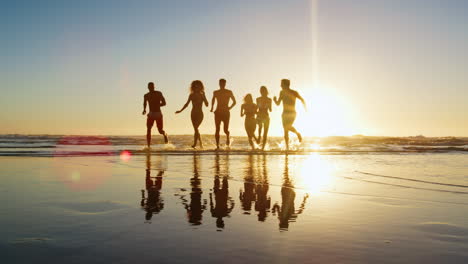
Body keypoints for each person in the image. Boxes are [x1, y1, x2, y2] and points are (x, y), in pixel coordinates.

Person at [273, 79, 306, 150]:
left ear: (285, 84)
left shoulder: (294, 92)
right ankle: (287, 148)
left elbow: (302, 99)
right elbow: (278, 103)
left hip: (292, 113)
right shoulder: (282, 92)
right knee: (285, 130)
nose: (280, 85)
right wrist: (275, 100)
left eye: (281, 84)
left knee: (287, 127)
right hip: (284, 113)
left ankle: (297, 133)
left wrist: (305, 108)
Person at [175, 80, 209, 148]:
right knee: (195, 129)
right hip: (193, 114)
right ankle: (200, 144)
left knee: (196, 128)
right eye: (195, 85)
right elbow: (187, 104)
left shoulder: (202, 95)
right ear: (193, 87)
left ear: (200, 87)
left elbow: (207, 104)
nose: (197, 87)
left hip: (200, 114)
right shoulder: (191, 95)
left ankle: (195, 144)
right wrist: (180, 110)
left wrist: (204, 96)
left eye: (198, 85)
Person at [210, 79, 236, 149]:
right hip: (217, 112)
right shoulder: (216, 92)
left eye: (223, 83)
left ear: (225, 84)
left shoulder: (229, 92)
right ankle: (217, 146)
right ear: (219, 84)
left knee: (225, 130)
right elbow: (213, 99)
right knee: (217, 129)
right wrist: (212, 107)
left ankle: (228, 136)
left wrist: (229, 108)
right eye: (220, 83)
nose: (222, 85)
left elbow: (234, 102)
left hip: (226, 113)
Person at [142, 82, 168, 147]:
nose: (151, 88)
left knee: (160, 130)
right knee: (148, 129)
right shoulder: (146, 95)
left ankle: (165, 134)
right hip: (151, 114)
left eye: (152, 87)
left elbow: (164, 103)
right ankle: (148, 146)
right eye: (150, 87)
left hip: (158, 113)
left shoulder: (159, 93)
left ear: (154, 87)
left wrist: (158, 105)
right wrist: (144, 109)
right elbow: (144, 103)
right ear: (148, 87)